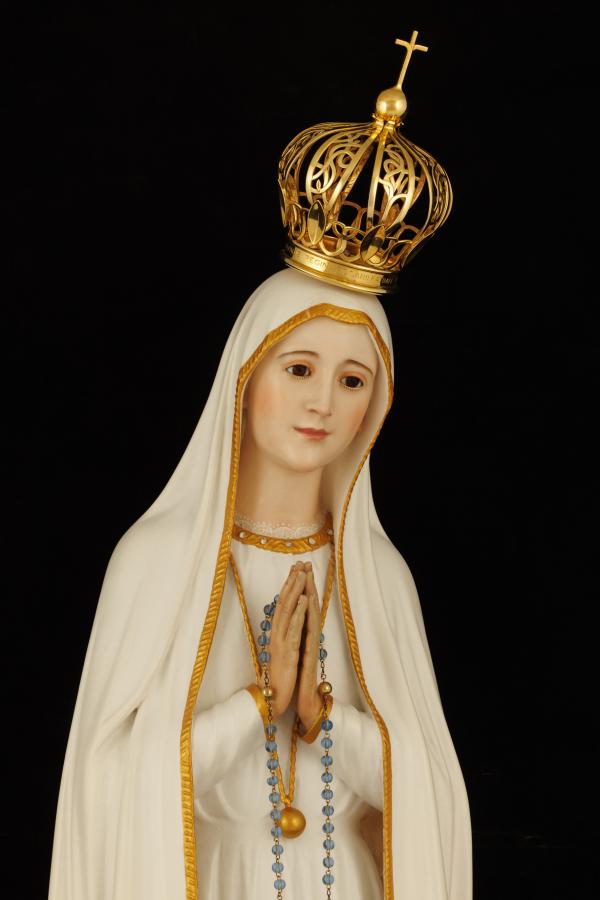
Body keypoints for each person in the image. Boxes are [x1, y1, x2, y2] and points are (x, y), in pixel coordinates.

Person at [48, 267, 472, 899]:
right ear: (245, 376)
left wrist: (322, 716)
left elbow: (427, 794)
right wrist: (257, 704)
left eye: (352, 381)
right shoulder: (157, 559)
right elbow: (105, 783)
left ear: (375, 406)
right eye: (299, 369)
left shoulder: (381, 577)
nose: (323, 403)